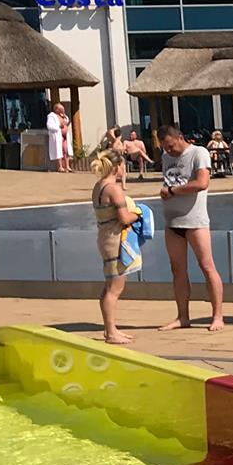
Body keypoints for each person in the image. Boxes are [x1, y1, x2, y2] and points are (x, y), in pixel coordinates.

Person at [156, 124, 225, 331]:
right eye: (164, 147)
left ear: (180, 137)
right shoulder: (166, 158)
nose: (168, 150)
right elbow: (169, 182)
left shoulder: (198, 153)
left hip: (195, 221)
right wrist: (168, 192)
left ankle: (218, 316)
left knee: (207, 266)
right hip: (172, 221)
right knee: (177, 269)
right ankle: (182, 316)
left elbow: (202, 183)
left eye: (170, 145)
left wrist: (173, 191)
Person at [91, 142, 143, 345]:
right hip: (114, 239)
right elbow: (123, 218)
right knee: (115, 288)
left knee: (109, 286)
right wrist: (138, 214)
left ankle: (110, 329)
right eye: (122, 165)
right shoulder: (113, 189)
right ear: (117, 167)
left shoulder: (99, 186)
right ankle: (111, 332)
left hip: (104, 236)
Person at [46, 101, 69, 173]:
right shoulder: (51, 116)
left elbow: (66, 121)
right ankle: (60, 167)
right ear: (56, 109)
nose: (63, 110)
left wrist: (64, 117)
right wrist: (59, 126)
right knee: (59, 151)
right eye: (61, 109)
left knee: (65, 150)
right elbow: (49, 126)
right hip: (57, 136)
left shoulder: (62, 115)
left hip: (64, 136)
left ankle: (67, 166)